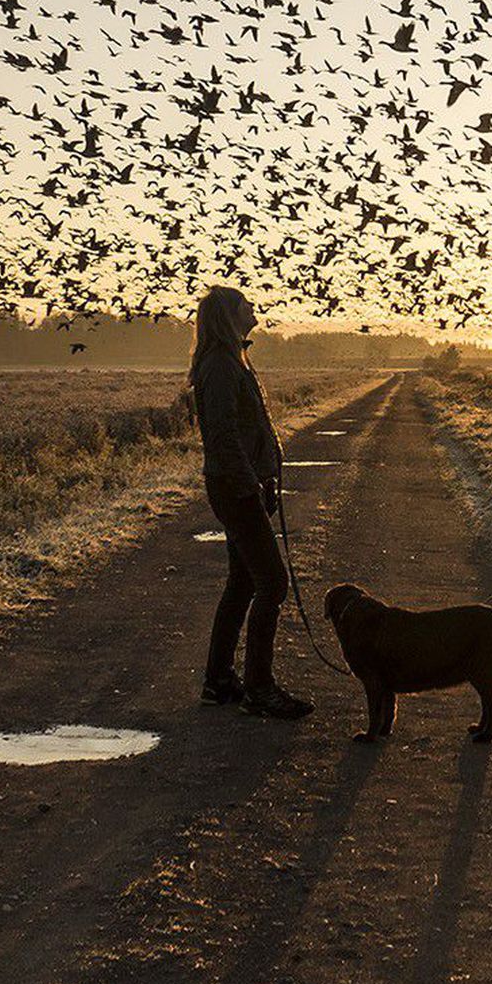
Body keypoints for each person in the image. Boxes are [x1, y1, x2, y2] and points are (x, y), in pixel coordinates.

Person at [189, 285, 312, 719]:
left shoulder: (231, 358)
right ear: (229, 315)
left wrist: (266, 477)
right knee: (272, 584)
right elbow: (221, 436)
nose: (254, 308)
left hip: (240, 484)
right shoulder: (221, 366)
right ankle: (258, 689)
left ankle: (218, 681)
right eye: (247, 304)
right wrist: (251, 487)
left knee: (242, 583)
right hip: (235, 487)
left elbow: (244, 430)